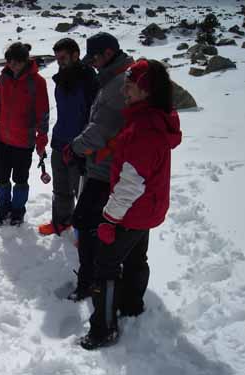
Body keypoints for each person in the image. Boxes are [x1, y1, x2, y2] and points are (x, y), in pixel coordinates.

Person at [78, 59, 182, 350]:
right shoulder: (153, 119)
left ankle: (103, 328)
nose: (124, 88)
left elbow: (131, 183)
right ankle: (131, 305)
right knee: (136, 258)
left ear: (146, 90)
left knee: (106, 264)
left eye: (131, 84)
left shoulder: (144, 128)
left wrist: (109, 219)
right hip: (147, 209)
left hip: (132, 210)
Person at [63, 32, 134, 301]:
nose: (91, 63)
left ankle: (91, 282)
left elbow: (100, 129)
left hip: (107, 170)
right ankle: (96, 280)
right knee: (96, 224)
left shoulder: (117, 84)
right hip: (107, 165)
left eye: (93, 57)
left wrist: (75, 147)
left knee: (86, 221)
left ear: (107, 53)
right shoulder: (115, 78)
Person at [37, 38, 98, 236]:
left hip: (80, 145)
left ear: (75, 55)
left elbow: (93, 115)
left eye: (63, 57)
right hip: (60, 141)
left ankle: (84, 231)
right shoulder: (61, 80)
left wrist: (86, 144)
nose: (60, 62)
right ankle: (62, 222)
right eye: (57, 59)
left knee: (81, 191)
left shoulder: (89, 79)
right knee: (60, 187)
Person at [0, 42, 49, 226]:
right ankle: (3, 208)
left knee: (20, 179)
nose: (11, 65)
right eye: (9, 61)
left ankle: (17, 211)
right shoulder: (4, 78)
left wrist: (41, 139)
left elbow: (43, 113)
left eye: (16, 62)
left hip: (24, 141)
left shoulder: (37, 82)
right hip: (3, 138)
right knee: (1, 177)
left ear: (24, 61)